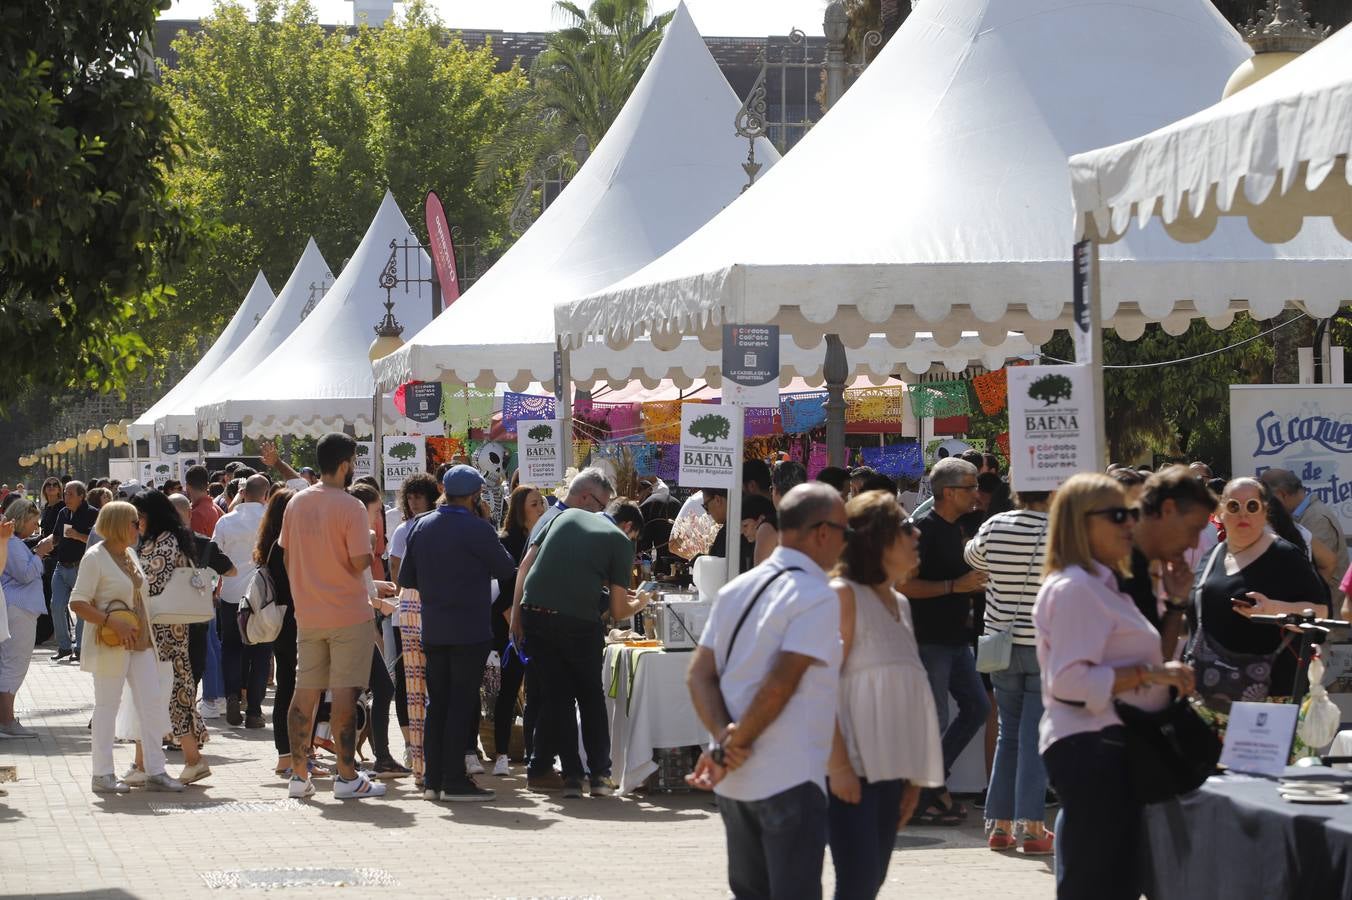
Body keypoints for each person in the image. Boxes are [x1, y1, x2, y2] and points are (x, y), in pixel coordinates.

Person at [1034, 473, 1194, 900]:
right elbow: (1069, 682)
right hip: (1091, 747)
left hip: (1107, 745)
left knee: (1114, 881)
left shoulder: (1100, 585)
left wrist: (1175, 602)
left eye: (1134, 514)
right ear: (1081, 523)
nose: (1130, 524)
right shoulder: (1077, 588)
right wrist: (1151, 676)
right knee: (1096, 883)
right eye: (1120, 514)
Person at [685, 483, 848, 900]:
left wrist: (725, 741)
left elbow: (699, 676)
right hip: (787, 774)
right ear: (824, 532)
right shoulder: (815, 595)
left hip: (736, 779)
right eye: (846, 532)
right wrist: (734, 742)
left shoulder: (739, 588)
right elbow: (780, 684)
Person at [827, 491, 943, 899]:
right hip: (849, 772)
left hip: (890, 774)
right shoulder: (843, 595)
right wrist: (838, 766)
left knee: (870, 881)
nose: (916, 535)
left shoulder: (900, 603)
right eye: (906, 527)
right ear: (876, 539)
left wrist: (912, 779)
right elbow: (817, 686)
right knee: (857, 885)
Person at [512, 482, 649, 798]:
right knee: (590, 696)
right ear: (628, 526)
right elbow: (617, 609)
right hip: (576, 620)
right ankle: (599, 775)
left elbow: (530, 565)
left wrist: (517, 619)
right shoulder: (619, 541)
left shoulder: (564, 516)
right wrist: (640, 601)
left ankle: (572, 776)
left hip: (534, 611)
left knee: (557, 696)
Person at [278, 432, 387, 800]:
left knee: (303, 693)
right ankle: (346, 776)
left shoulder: (296, 504)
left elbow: (287, 555)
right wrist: (369, 543)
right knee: (344, 695)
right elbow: (358, 563)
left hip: (309, 612)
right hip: (347, 613)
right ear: (345, 464)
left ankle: (298, 775)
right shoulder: (351, 507)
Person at [399, 465, 517, 802]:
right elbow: (506, 568)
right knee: (461, 703)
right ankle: (454, 780)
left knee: (439, 704)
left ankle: (434, 779)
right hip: (469, 629)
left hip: (434, 627)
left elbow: (407, 579)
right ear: (476, 494)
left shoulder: (420, 525)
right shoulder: (478, 529)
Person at [68, 501, 185, 794]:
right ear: (121, 524)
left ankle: (155, 771)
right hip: (111, 644)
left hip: (141, 643)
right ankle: (102, 774)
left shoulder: (130, 554)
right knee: (107, 707)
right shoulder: (95, 557)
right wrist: (111, 621)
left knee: (151, 703)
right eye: (135, 522)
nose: (140, 526)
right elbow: (78, 602)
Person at [897, 457, 989, 825]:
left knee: (977, 707)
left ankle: (930, 785)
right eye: (970, 488)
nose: (977, 494)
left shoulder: (958, 528)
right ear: (948, 492)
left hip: (955, 638)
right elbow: (904, 585)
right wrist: (956, 587)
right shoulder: (921, 530)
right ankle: (922, 793)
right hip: (928, 640)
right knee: (934, 719)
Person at [964, 491, 1054, 854]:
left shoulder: (994, 525)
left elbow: (970, 555)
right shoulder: (1058, 530)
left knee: (1007, 734)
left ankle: (998, 824)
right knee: (1033, 737)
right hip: (1043, 645)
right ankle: (1031, 827)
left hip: (999, 645)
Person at [1189, 478, 1328, 709]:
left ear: (1265, 511)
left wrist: (1273, 609)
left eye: (1252, 506)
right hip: (1212, 699)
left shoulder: (1285, 555)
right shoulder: (1211, 556)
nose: (1243, 514)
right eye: (1234, 506)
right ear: (1221, 512)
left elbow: (1321, 614)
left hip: (1272, 699)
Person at [1119, 466, 1218, 659]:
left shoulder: (1141, 566)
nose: (1194, 543)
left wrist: (1176, 605)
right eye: (1193, 529)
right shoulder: (1113, 568)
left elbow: (1156, 658)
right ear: (1168, 510)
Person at [348, 481, 409, 779]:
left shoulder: (351, 534)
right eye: (375, 511)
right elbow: (350, 585)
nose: (377, 518)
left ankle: (371, 756)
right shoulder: (358, 537)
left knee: (361, 690)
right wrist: (378, 601)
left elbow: (356, 581)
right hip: (352, 624)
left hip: (349, 622)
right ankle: (377, 757)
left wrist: (376, 590)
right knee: (380, 687)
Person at [387, 473, 440, 786]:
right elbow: (396, 570)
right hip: (405, 613)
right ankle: (410, 744)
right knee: (407, 684)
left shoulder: (432, 527)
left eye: (419, 496)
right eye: (410, 496)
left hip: (429, 613)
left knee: (431, 681)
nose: (413, 501)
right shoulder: (403, 530)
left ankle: (427, 745)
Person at [492, 484, 547, 777]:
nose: (541, 509)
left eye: (542, 503)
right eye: (535, 504)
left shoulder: (546, 537)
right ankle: (501, 753)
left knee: (536, 692)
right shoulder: (506, 541)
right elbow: (504, 591)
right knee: (509, 689)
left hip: (538, 623)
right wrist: (516, 626)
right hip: (508, 624)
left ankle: (533, 752)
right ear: (520, 509)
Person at [210, 473, 272, 728]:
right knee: (260, 652)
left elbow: (213, 553)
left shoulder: (226, 521)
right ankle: (255, 710)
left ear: (242, 493)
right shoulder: (271, 521)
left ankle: (233, 694)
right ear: (266, 495)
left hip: (231, 595)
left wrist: (216, 584)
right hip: (261, 597)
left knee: (231, 648)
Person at [1261, 468, 1349, 615]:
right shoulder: (1305, 516)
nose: (1264, 504)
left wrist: (1307, 601)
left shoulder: (1316, 519)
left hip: (1326, 624)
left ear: (1281, 494)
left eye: (1265, 498)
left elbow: (1324, 566)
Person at [1, 500, 50, 737]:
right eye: (33, 522)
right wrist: (40, 554)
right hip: (19, 610)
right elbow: (25, 574)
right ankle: (7, 721)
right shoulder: (11, 542)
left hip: (17, 608)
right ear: (21, 519)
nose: (35, 527)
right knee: (14, 664)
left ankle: (6, 719)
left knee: (10, 663)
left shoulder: (12, 542)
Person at [42, 480, 99, 662]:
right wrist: (46, 543)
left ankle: (80, 648)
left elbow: (97, 540)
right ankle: (64, 646)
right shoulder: (63, 512)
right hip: (61, 566)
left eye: (70, 494)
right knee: (56, 605)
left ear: (81, 496)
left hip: (81, 567)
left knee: (81, 608)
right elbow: (57, 535)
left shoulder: (92, 514)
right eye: (65, 493)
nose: (66, 497)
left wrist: (78, 535)